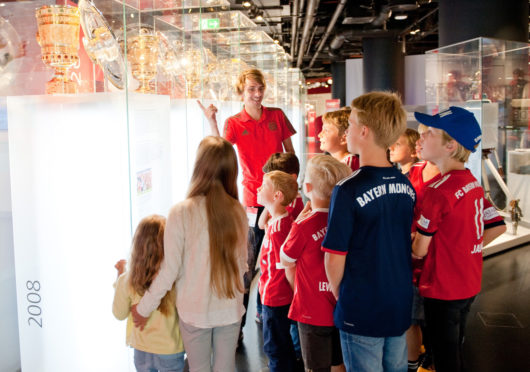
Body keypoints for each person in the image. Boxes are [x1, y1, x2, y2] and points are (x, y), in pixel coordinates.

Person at [131, 136, 249, 372]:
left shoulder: (180, 212)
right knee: (225, 368)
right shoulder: (238, 210)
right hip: (230, 308)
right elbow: (243, 264)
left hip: (194, 310)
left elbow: (169, 271)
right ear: (231, 170)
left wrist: (143, 309)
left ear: (199, 166)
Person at [198, 68, 297, 334]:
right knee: (249, 265)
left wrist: (291, 188)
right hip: (253, 201)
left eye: (260, 88)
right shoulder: (234, 122)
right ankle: (237, 325)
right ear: (241, 92)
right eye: (251, 89)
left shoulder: (276, 115)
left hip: (281, 201)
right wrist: (211, 122)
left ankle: (270, 313)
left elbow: (291, 156)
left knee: (281, 259)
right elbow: (220, 152)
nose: (257, 94)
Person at [323, 91, 416, 372]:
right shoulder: (406, 185)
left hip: (362, 306)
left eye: (349, 124)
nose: (346, 132)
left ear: (364, 131)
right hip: (398, 300)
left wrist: (345, 296)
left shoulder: (347, 189)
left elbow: (334, 258)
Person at [412, 107, 507, 372]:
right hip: (468, 282)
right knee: (453, 348)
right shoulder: (472, 183)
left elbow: (419, 249)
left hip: (442, 287)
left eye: (430, 133)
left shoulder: (437, 191)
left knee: (443, 355)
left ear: (450, 145)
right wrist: (465, 248)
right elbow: (497, 226)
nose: (422, 138)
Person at [280, 155, 351, 372]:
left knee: (315, 367)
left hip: (311, 311)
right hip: (340, 305)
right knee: (338, 362)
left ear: (308, 187)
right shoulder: (347, 221)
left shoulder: (303, 225)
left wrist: (299, 221)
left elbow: (285, 258)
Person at [112, 215, 185, 372]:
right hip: (170, 349)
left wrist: (120, 276)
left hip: (141, 350)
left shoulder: (127, 279)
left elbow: (119, 314)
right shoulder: (175, 277)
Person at [405, 124, 441, 372]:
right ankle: (415, 361)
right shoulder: (413, 172)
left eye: (427, 134)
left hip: (437, 263)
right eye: (419, 134)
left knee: (438, 319)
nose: (420, 140)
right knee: (412, 317)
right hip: (412, 258)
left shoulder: (450, 179)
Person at [257, 170, 299, 372]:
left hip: (275, 297)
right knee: (281, 343)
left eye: (264, 186)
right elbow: (262, 223)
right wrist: (268, 204)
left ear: (277, 196)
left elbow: (286, 266)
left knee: (275, 347)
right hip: (274, 296)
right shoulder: (278, 221)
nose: (258, 188)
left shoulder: (279, 230)